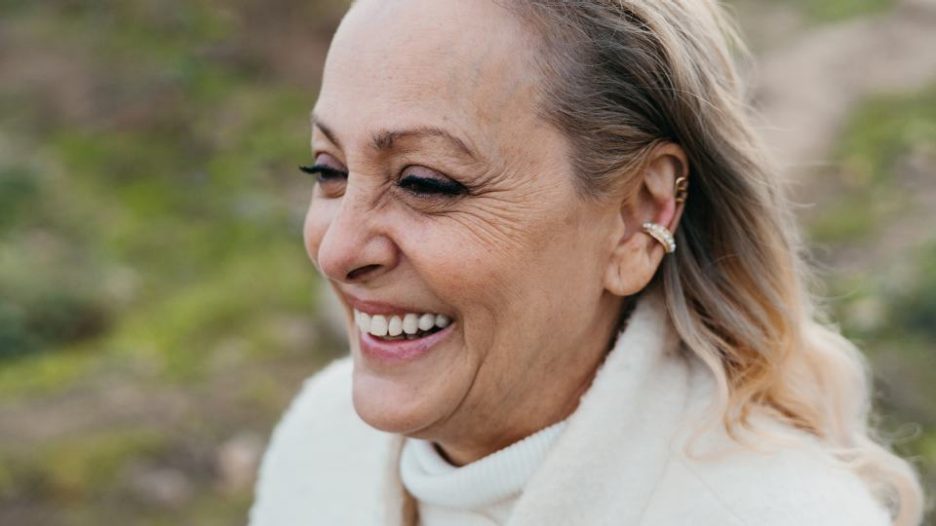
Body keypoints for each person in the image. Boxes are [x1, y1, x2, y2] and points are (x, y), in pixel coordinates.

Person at [249, 1, 924, 525]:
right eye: (329, 170)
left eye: (427, 183)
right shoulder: (322, 438)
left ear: (638, 215)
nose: (338, 250)